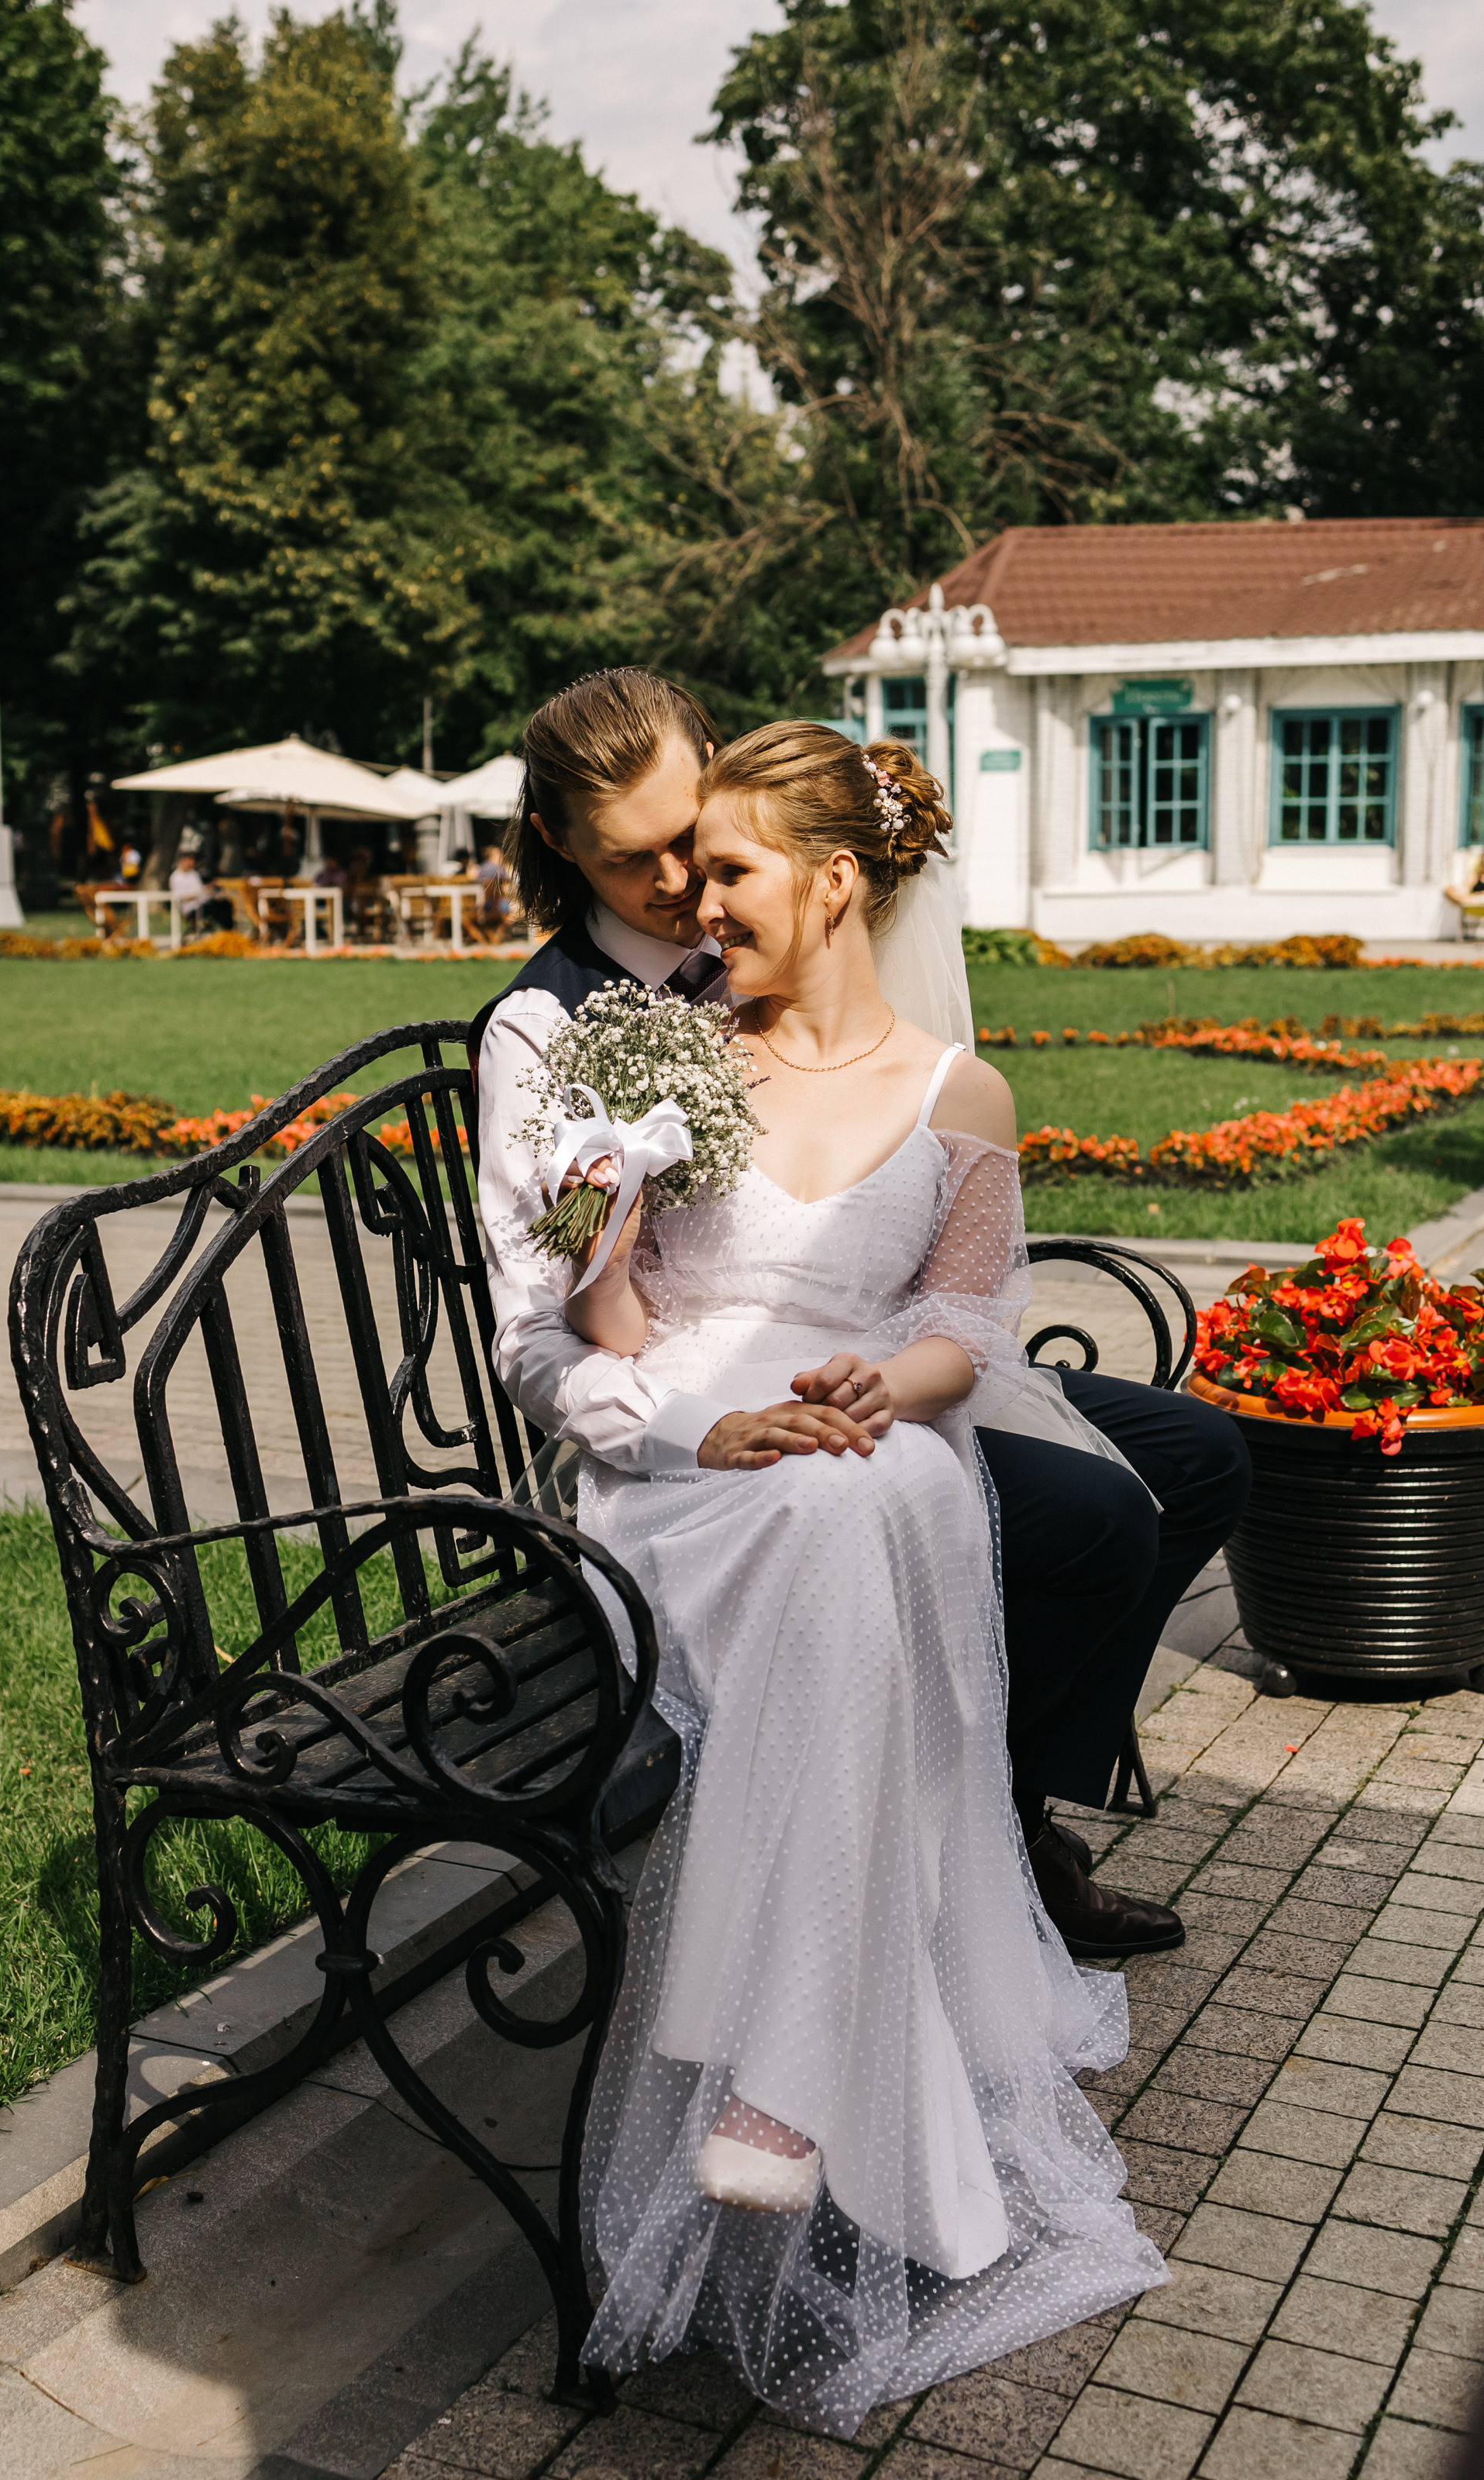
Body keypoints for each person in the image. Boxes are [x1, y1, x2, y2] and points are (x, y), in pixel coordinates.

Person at [500, 722, 1169, 2429]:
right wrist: (607, 1220)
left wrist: (896, 1386)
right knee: (835, 1512)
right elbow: (603, 1333)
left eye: (722, 871)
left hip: (869, 1436)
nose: (691, 904)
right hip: (688, 1466)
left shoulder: (960, 1096)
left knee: (871, 1496)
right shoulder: (661, 1060)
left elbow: (960, 1324)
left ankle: (782, 2077)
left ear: (832, 879)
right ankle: (791, 2074)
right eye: (684, 873)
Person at [471, 670, 1251, 1958]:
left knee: (1197, 1454)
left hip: (859, 1338)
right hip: (700, 1401)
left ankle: (994, 1792)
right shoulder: (549, 1036)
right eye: (634, 861)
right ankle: (988, 1834)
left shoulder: (758, 926)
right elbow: (536, 1328)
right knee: (1096, 1515)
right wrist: (692, 1425)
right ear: (560, 847)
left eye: (696, 842)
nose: (680, 887)